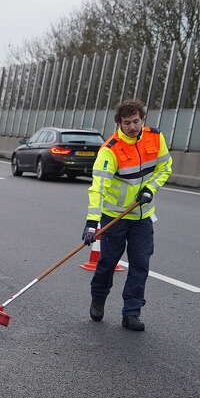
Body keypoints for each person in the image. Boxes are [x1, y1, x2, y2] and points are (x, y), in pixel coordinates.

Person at [82, 98, 172, 332]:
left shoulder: (155, 138)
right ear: (119, 124)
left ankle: (131, 313)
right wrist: (92, 222)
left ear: (143, 120)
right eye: (126, 123)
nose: (132, 127)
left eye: (136, 121)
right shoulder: (110, 150)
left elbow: (165, 167)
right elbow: (98, 188)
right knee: (107, 263)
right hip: (114, 217)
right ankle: (98, 298)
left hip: (142, 217)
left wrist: (150, 189)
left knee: (140, 265)